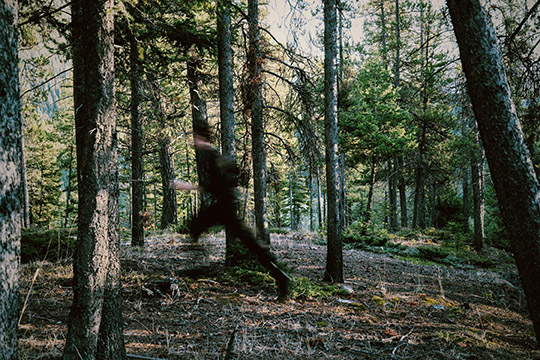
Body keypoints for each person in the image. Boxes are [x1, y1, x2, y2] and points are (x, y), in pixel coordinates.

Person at [170, 124, 291, 300]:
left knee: (198, 227)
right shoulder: (215, 156)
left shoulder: (213, 156)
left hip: (224, 208)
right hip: (224, 207)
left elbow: (220, 186)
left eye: (195, 138)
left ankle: (201, 267)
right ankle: (200, 265)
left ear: (201, 138)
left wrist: (189, 187)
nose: (193, 142)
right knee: (198, 227)